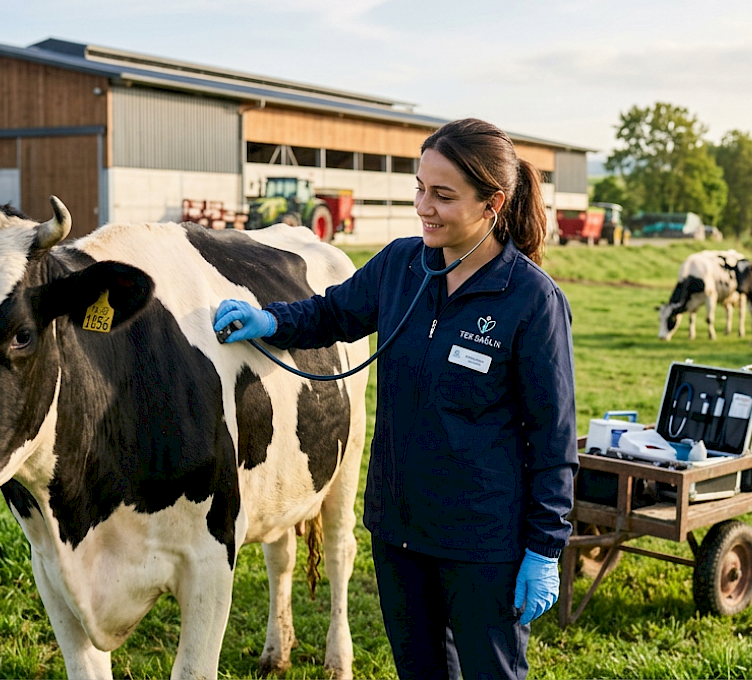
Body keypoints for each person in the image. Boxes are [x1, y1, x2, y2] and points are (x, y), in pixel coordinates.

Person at [214, 118, 578, 680]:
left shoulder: (531, 300)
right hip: (399, 532)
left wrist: (545, 549)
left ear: (493, 204)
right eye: (419, 187)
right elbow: (331, 313)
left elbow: (552, 440)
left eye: (443, 195)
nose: (423, 207)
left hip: (483, 543)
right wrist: (269, 318)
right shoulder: (402, 265)